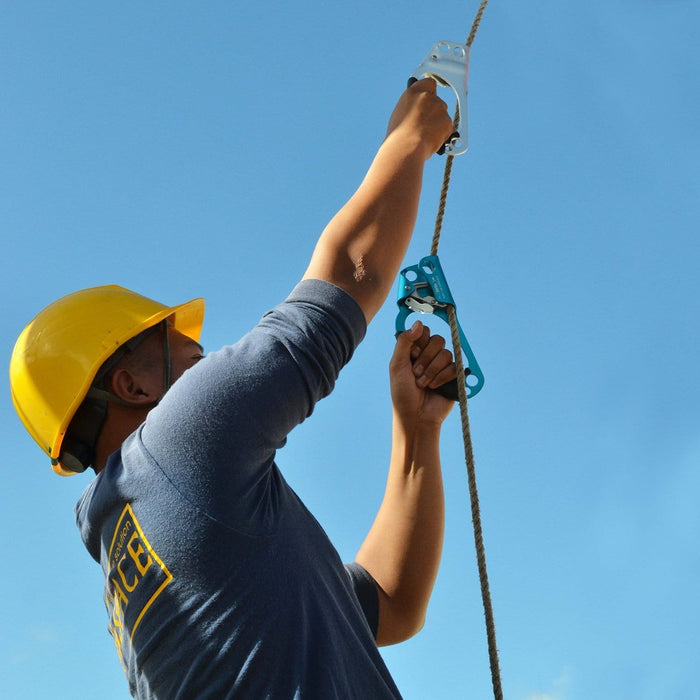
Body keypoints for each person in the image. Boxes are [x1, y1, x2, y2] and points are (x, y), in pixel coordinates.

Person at [10, 79, 458, 699]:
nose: (203, 355)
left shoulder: (135, 549)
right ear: (129, 382)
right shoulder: (172, 450)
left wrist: (416, 432)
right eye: (179, 346)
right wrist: (411, 137)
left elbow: (391, 603)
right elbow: (352, 270)